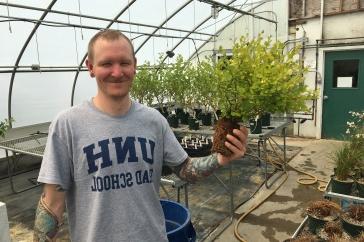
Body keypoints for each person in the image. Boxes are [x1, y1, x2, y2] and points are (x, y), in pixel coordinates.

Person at [33, 29, 248, 242]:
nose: (117, 72)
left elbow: (185, 169)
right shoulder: (68, 125)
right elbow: (52, 204)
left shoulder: (154, 121)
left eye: (124, 63)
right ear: (90, 67)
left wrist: (220, 159)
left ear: (134, 65)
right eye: (107, 63)